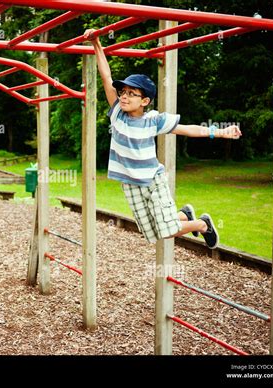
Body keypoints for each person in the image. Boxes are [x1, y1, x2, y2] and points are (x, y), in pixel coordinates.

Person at [83, 29, 242, 249]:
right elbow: (107, 77)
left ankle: (202, 224)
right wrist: (96, 43)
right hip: (130, 184)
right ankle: (183, 215)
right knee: (151, 233)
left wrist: (220, 132)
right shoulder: (117, 113)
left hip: (153, 180)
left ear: (145, 101)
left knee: (168, 230)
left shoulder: (153, 120)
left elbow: (188, 129)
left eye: (131, 93)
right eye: (123, 92)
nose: (124, 96)